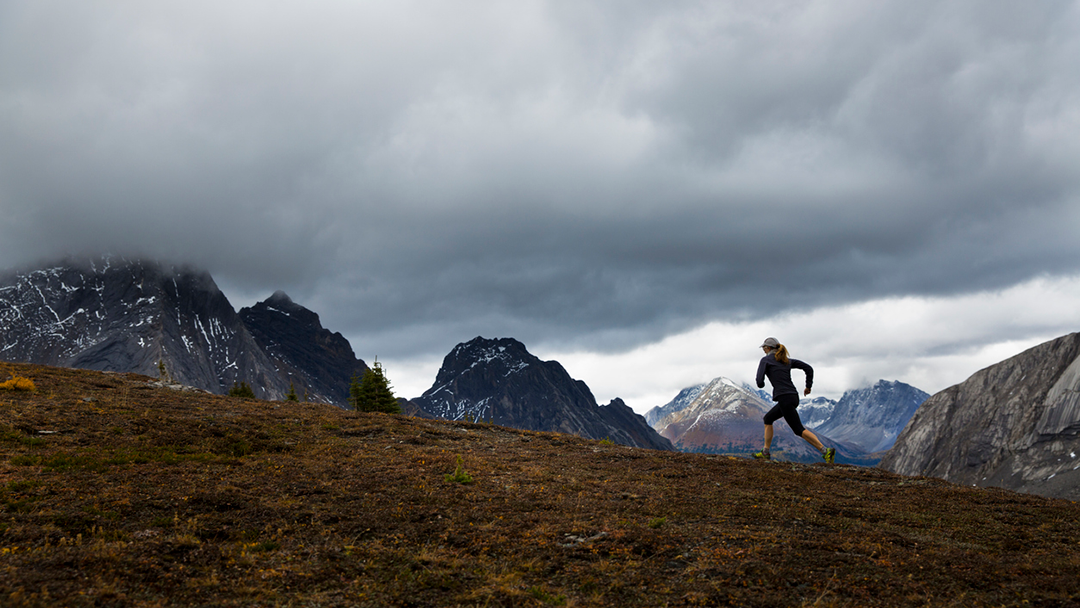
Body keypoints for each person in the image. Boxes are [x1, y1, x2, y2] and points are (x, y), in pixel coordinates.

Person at [753, 337, 835, 464]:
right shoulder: (786, 361)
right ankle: (765, 452)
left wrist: (761, 383)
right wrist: (808, 386)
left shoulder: (765, 360)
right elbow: (808, 368)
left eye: (764, 347)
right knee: (768, 419)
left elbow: (759, 382)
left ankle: (825, 451)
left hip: (784, 398)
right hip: (793, 397)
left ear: (768, 348)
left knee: (798, 429)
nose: (763, 350)